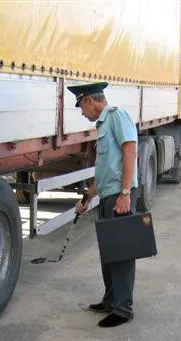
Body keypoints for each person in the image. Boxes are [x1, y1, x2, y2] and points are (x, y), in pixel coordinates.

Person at [68, 81, 139, 328]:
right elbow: (105, 172)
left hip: (120, 196)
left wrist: (125, 193)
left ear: (90, 100)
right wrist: (87, 199)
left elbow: (130, 153)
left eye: (81, 106)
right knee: (109, 252)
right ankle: (110, 301)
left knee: (121, 254)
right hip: (109, 196)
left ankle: (123, 309)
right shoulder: (103, 125)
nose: (81, 112)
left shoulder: (117, 116)